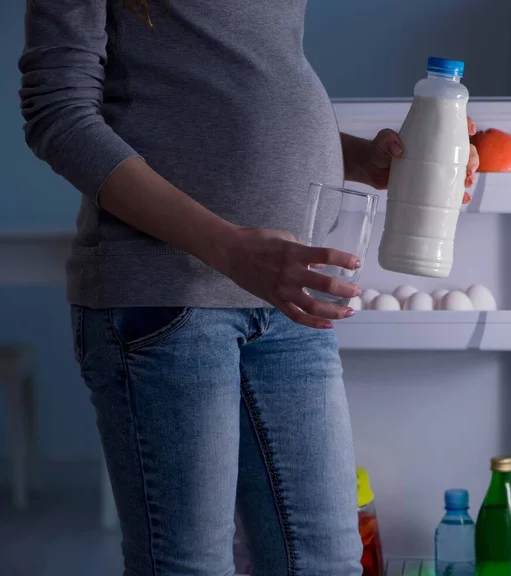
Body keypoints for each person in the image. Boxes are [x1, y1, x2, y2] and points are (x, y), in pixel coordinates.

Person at [19, 2, 479, 575]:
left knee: (326, 562)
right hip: (166, 300)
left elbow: (235, 79)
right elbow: (57, 114)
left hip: (283, 300)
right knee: (189, 566)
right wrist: (232, 249)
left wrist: (365, 160)